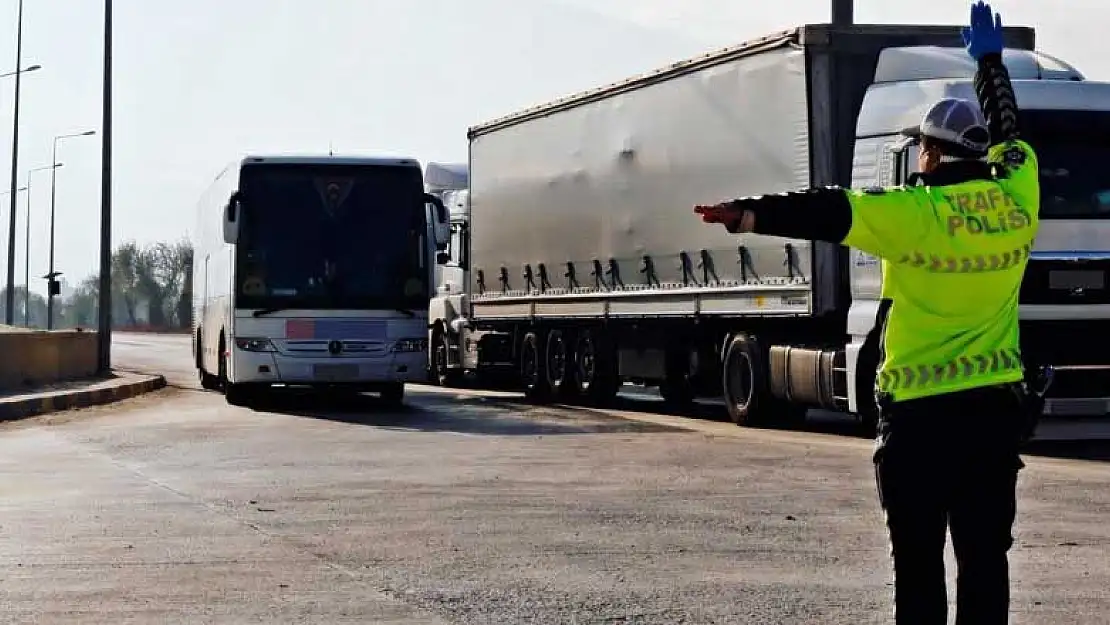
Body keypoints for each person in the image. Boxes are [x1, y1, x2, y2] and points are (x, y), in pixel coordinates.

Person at [693, 3, 1039, 623]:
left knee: (918, 566)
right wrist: (990, 59)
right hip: (992, 417)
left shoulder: (912, 215)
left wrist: (747, 213)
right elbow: (1011, 129)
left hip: (921, 425)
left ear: (930, 156)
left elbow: (826, 210)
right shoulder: (1019, 196)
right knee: (986, 560)